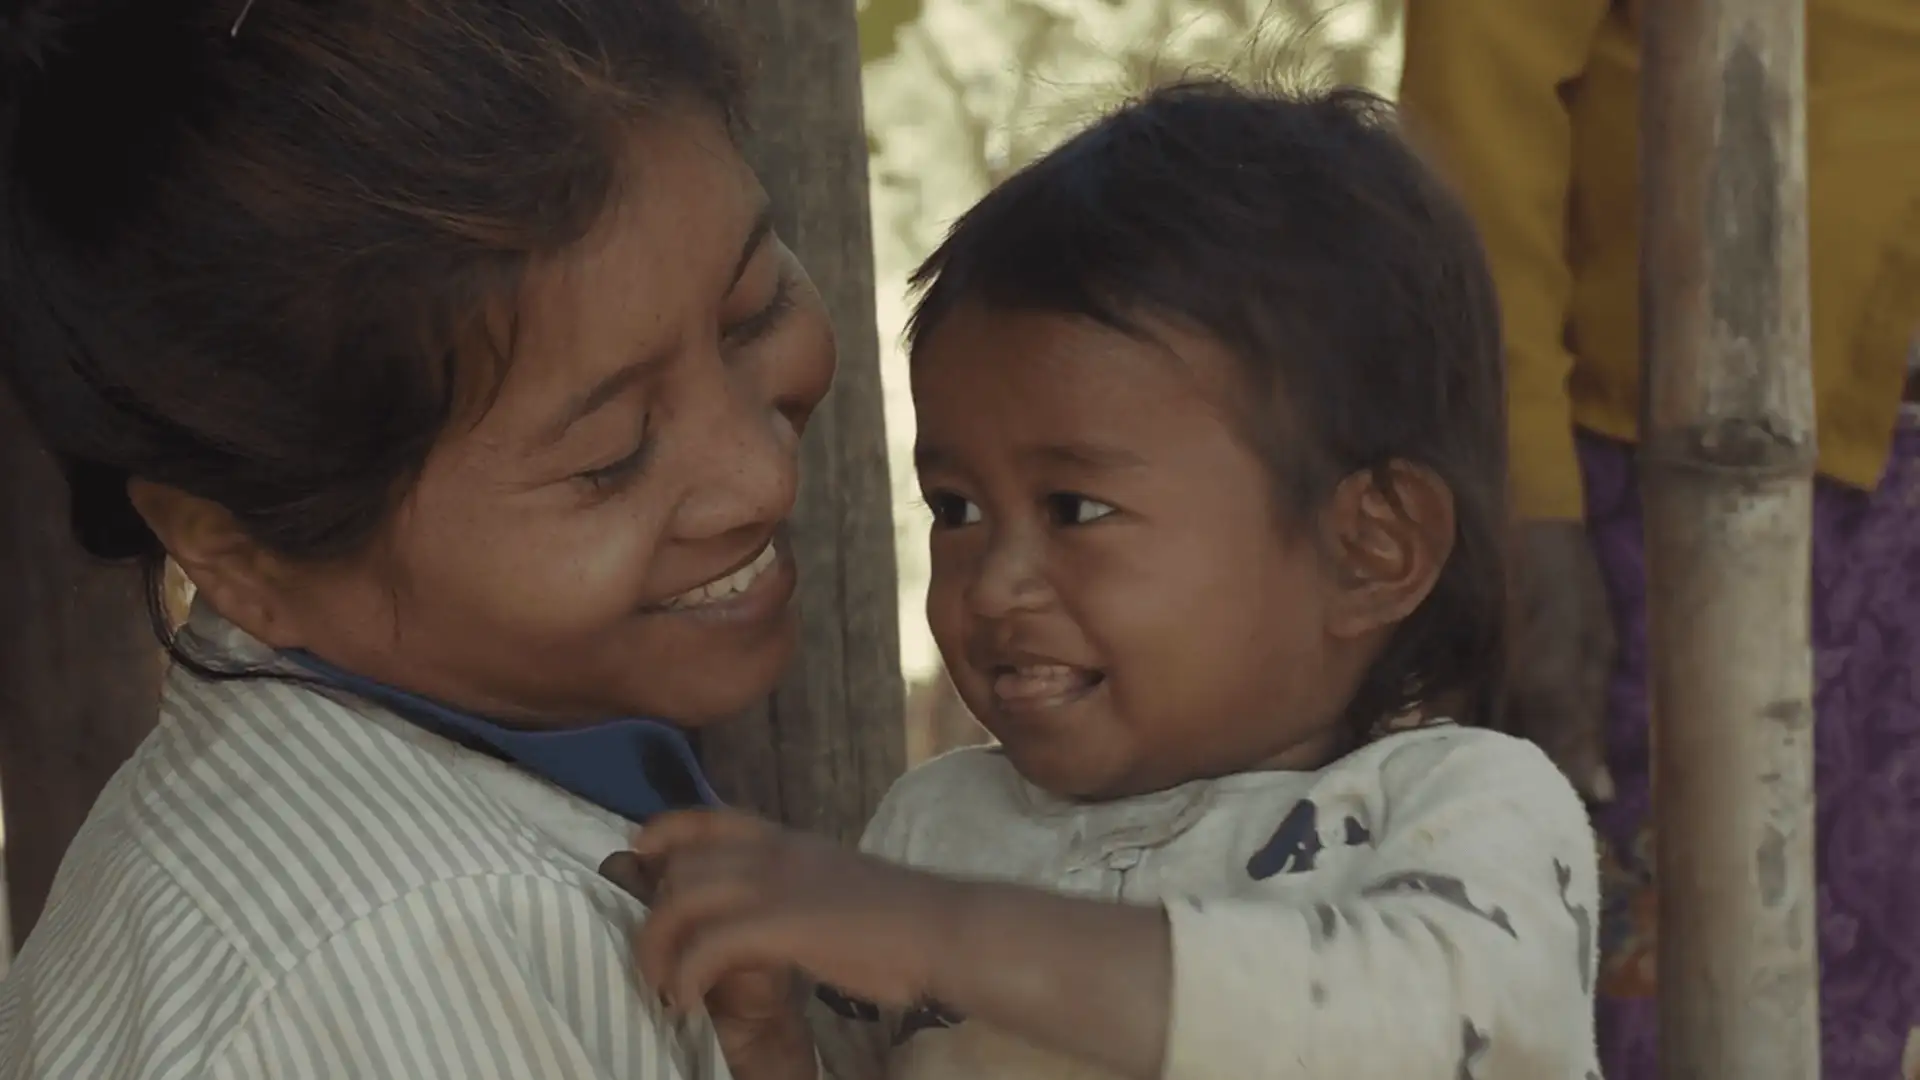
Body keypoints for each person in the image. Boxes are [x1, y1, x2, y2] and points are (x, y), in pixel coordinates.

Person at [615, 80, 1602, 1080]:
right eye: (956, 508)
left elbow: (1445, 1022)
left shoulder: (1463, 805)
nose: (995, 584)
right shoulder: (936, 829)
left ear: (1369, 548)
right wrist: (766, 1040)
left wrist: (946, 935)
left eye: (1074, 509)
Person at [0, 1, 835, 1076]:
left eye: (755, 309)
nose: (761, 481)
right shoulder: (423, 950)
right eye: (611, 456)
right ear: (247, 553)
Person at [1398, 3, 1920, 1076]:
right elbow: (1480, 90)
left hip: (1871, 495)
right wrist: (1520, 487)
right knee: (1646, 1016)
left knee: (1852, 1018)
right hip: (1681, 476)